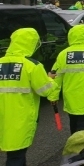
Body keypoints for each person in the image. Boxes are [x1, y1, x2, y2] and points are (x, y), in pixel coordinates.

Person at [0, 28, 57, 166]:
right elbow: (45, 90)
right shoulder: (32, 65)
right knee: (16, 155)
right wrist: (50, 79)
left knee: (14, 154)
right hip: (19, 118)